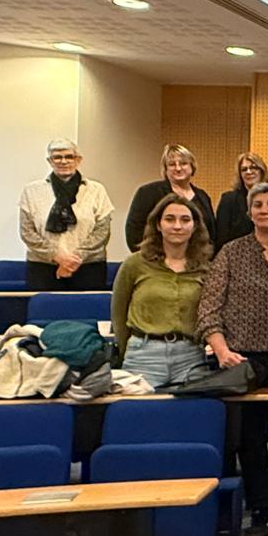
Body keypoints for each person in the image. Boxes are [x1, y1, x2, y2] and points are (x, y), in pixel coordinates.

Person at [196, 182, 268, 536]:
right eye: (257, 204)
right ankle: (259, 510)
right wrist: (222, 349)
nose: (263, 210)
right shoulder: (231, 252)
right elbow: (209, 307)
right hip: (237, 360)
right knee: (250, 440)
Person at [111, 193, 211, 388]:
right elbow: (118, 314)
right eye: (169, 219)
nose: (177, 226)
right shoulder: (135, 264)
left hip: (191, 357)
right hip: (143, 354)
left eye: (185, 220)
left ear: (195, 226)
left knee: (189, 416)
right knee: (139, 415)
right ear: (158, 224)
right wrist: (127, 348)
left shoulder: (206, 268)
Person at [19, 138, 115, 291]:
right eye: (57, 157)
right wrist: (56, 256)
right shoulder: (31, 191)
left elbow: (102, 231)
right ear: (49, 161)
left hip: (88, 267)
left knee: (86, 313)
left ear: (78, 160)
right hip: (43, 267)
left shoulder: (97, 190)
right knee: (45, 313)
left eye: (69, 156)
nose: (63, 161)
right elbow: (27, 232)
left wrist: (73, 260)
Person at [124, 144, 216, 249]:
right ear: (165, 169)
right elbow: (134, 230)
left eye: (183, 163)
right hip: (157, 260)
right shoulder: (148, 192)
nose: (178, 168)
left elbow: (212, 233)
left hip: (198, 260)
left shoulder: (203, 196)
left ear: (192, 167)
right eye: (172, 164)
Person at [214, 153, 268, 248]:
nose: (249, 172)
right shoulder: (228, 199)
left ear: (262, 171)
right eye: (244, 169)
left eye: (253, 168)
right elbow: (221, 237)